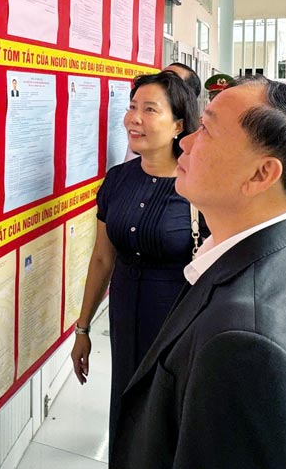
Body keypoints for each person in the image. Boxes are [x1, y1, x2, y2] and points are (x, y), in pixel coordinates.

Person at [111, 76, 286, 468]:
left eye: (206, 130)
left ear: (261, 175)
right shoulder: (283, 245)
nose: (185, 142)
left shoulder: (244, 341)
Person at [71, 71, 202, 451]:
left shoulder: (197, 184)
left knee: (167, 413)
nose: (134, 119)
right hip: (125, 310)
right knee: (126, 401)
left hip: (177, 318)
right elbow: (101, 259)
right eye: (132, 107)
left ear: (178, 124)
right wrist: (82, 330)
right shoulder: (117, 180)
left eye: (149, 109)